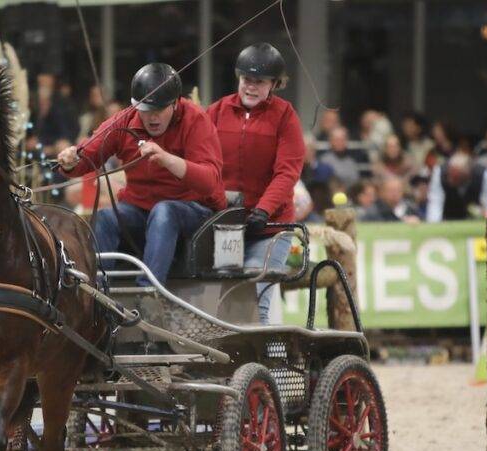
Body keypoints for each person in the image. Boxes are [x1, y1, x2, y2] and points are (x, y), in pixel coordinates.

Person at [57, 63, 224, 286]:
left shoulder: (195, 120)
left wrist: (167, 159)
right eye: (145, 110)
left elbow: (209, 182)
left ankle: (148, 292)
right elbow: (87, 155)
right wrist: (71, 161)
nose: (152, 117)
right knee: (106, 218)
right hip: (141, 210)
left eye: (159, 110)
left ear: (175, 103)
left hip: (193, 209)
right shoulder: (125, 121)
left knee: (164, 211)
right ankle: (98, 292)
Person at [208, 43, 304, 323]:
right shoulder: (216, 111)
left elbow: (287, 172)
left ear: (274, 84)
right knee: (225, 302)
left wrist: (264, 209)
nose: (251, 87)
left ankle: (256, 352)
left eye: (259, 82)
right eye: (246, 79)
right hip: (227, 225)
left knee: (255, 299)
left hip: (270, 228)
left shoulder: (285, 116)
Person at [426, 152, 487, 221]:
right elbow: (435, 203)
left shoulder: (483, 174)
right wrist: (434, 224)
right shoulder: (439, 172)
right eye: (450, 175)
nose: (450, 180)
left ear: (467, 175)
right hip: (447, 219)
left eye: (455, 178)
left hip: (474, 219)